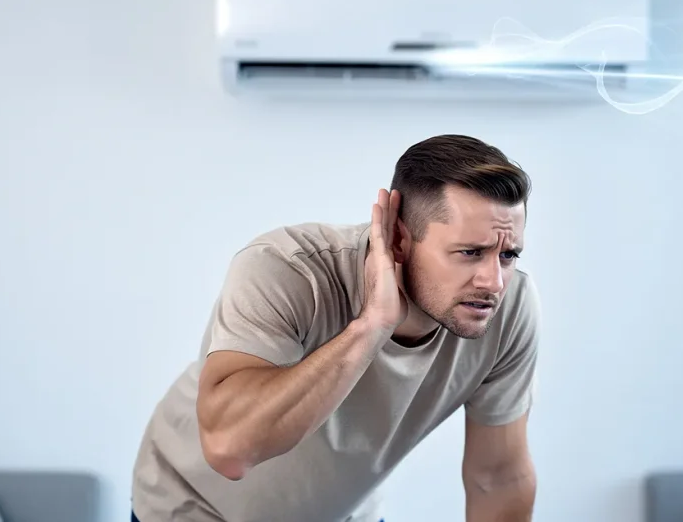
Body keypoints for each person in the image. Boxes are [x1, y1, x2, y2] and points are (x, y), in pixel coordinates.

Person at [130, 134, 542, 522]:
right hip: (197, 509)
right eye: (470, 252)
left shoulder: (510, 309)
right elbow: (229, 449)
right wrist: (372, 325)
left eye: (508, 255)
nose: (494, 282)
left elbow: (498, 477)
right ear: (399, 240)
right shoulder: (286, 269)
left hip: (343, 512)